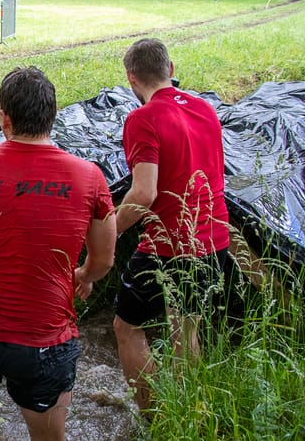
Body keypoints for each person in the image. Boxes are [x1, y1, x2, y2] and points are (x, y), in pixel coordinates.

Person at [0, 66, 116, 440]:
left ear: (4, 118)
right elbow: (104, 260)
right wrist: (83, 276)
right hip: (44, 341)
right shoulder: (90, 177)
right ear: (52, 116)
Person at [112, 38, 231, 412]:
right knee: (185, 327)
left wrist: (109, 232)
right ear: (171, 69)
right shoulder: (206, 109)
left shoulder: (141, 119)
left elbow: (144, 193)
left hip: (169, 246)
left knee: (126, 327)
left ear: (131, 79)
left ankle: (153, 413)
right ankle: (187, 413)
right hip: (214, 240)